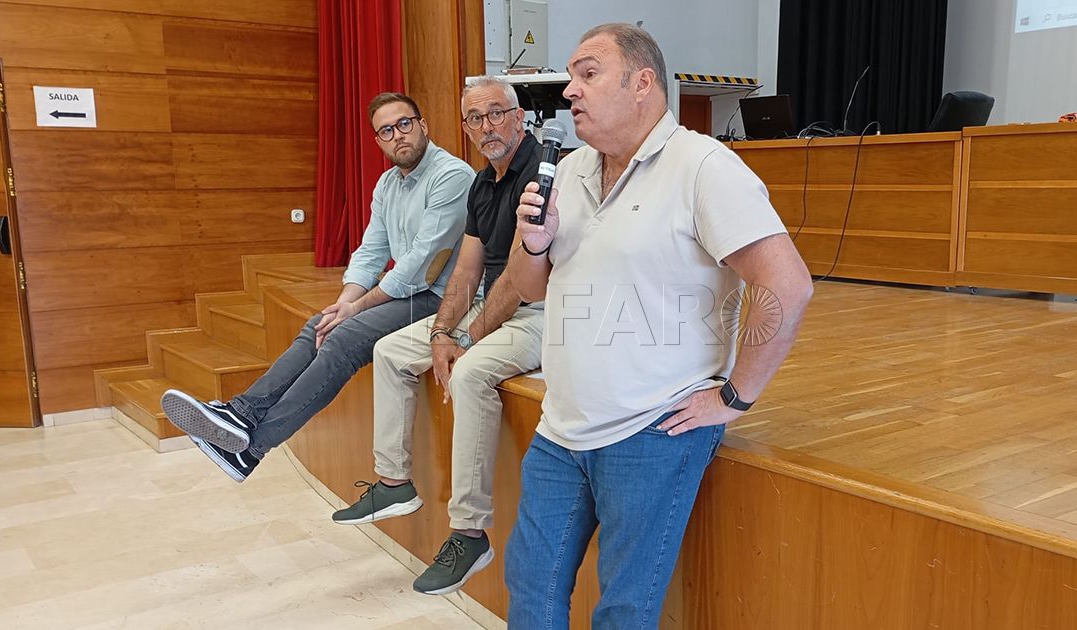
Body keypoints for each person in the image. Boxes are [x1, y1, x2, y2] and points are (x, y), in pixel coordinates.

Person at [503, 23, 815, 628]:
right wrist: (534, 242)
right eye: (571, 76)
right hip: (560, 429)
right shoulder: (568, 169)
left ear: (642, 83)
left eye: (588, 74)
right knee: (530, 589)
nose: (570, 90)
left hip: (652, 432)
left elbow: (786, 284)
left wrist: (735, 396)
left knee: (625, 610)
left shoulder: (703, 166)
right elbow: (528, 285)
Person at [161, 92, 475, 483]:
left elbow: (423, 267)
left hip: (443, 297)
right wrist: (343, 302)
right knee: (320, 325)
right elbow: (370, 251)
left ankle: (252, 447)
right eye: (386, 131)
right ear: (378, 141)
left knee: (345, 338)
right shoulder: (388, 184)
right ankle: (241, 414)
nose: (398, 135)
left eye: (405, 124)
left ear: (423, 125)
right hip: (409, 291)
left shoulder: (452, 176)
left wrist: (356, 310)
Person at [328, 77, 545, 596]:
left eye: (497, 113)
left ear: (519, 117)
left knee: (468, 374)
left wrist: (464, 340)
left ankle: (469, 533)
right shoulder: (481, 182)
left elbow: (518, 279)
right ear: (464, 127)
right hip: (484, 306)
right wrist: (445, 328)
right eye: (475, 118)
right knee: (390, 350)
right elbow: (468, 268)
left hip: (541, 312)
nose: (486, 126)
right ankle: (394, 482)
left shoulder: (542, 172)